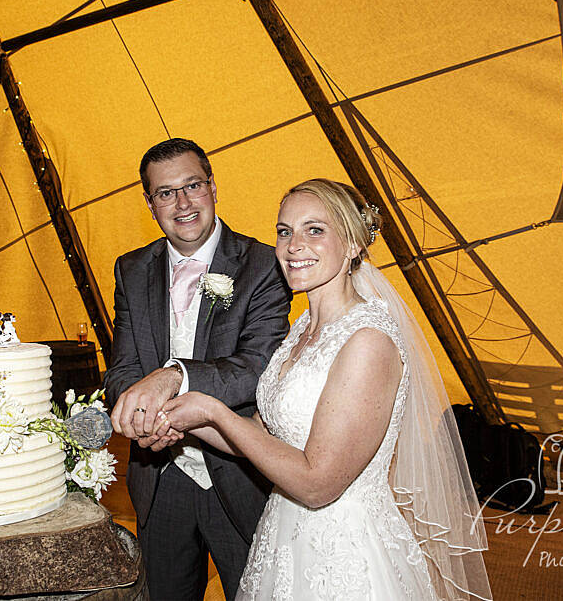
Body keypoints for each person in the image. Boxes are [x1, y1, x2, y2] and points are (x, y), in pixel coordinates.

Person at [160, 179, 490, 600]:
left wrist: (214, 411)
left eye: (315, 230)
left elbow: (318, 485)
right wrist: (179, 418)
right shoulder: (302, 330)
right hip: (283, 537)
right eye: (284, 231)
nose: (293, 245)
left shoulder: (369, 341)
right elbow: (259, 439)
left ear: (353, 244)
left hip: (346, 554)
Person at [105, 138, 291, 600]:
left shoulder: (265, 263)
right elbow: (123, 367)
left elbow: (259, 366)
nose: (182, 203)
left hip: (238, 476)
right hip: (159, 477)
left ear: (213, 187)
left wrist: (174, 376)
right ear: (150, 204)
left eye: (192, 186)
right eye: (165, 193)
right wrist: (139, 417)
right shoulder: (131, 269)